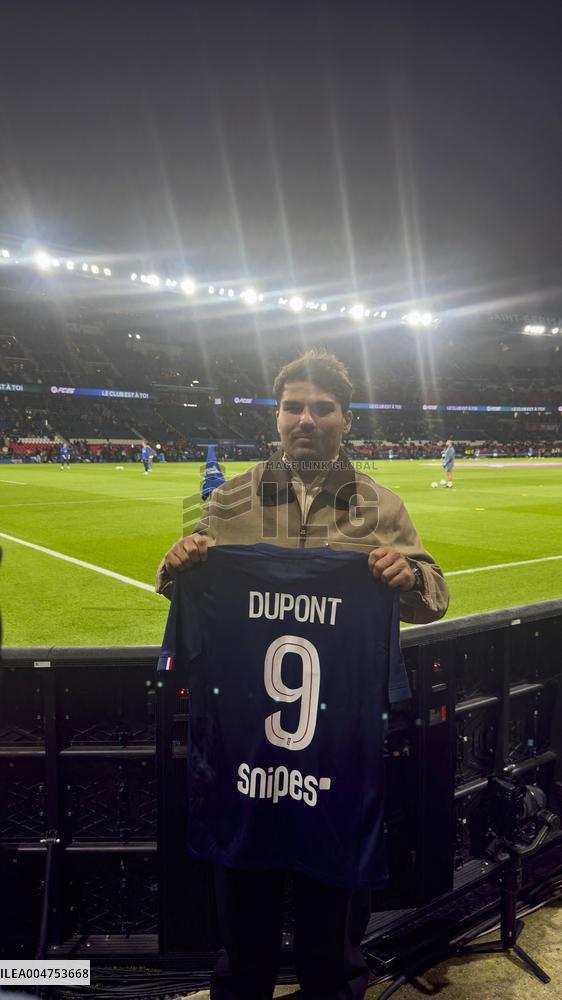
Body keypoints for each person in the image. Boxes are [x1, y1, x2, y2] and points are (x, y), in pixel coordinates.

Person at [156, 350, 449, 999]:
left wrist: (409, 578)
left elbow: (434, 595)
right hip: (247, 742)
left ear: (347, 419)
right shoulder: (229, 498)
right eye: (293, 407)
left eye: (322, 408)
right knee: (244, 913)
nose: (306, 420)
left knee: (333, 921)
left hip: (341, 743)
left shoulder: (381, 505)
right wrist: (176, 563)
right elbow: (184, 584)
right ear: (277, 414)